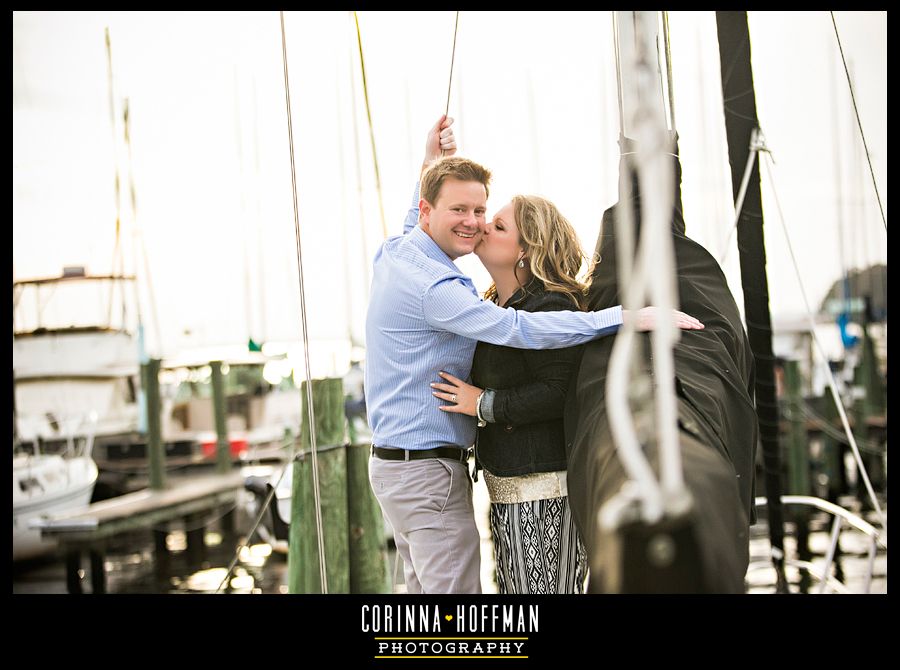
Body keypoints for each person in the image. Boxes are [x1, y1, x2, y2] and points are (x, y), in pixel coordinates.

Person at [365, 116, 703, 594]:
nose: (476, 225)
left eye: (485, 215)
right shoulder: (441, 288)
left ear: (526, 249)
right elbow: (515, 330)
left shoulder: (399, 254)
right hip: (433, 473)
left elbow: (553, 384)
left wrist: (433, 164)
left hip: (484, 481)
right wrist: (622, 317)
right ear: (427, 211)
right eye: (463, 210)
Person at [429, 194, 593, 593]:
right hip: (509, 492)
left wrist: (481, 403)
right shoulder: (492, 307)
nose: (483, 226)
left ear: (526, 251)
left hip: (543, 494)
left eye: (499, 226)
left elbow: (557, 391)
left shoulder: (550, 307)